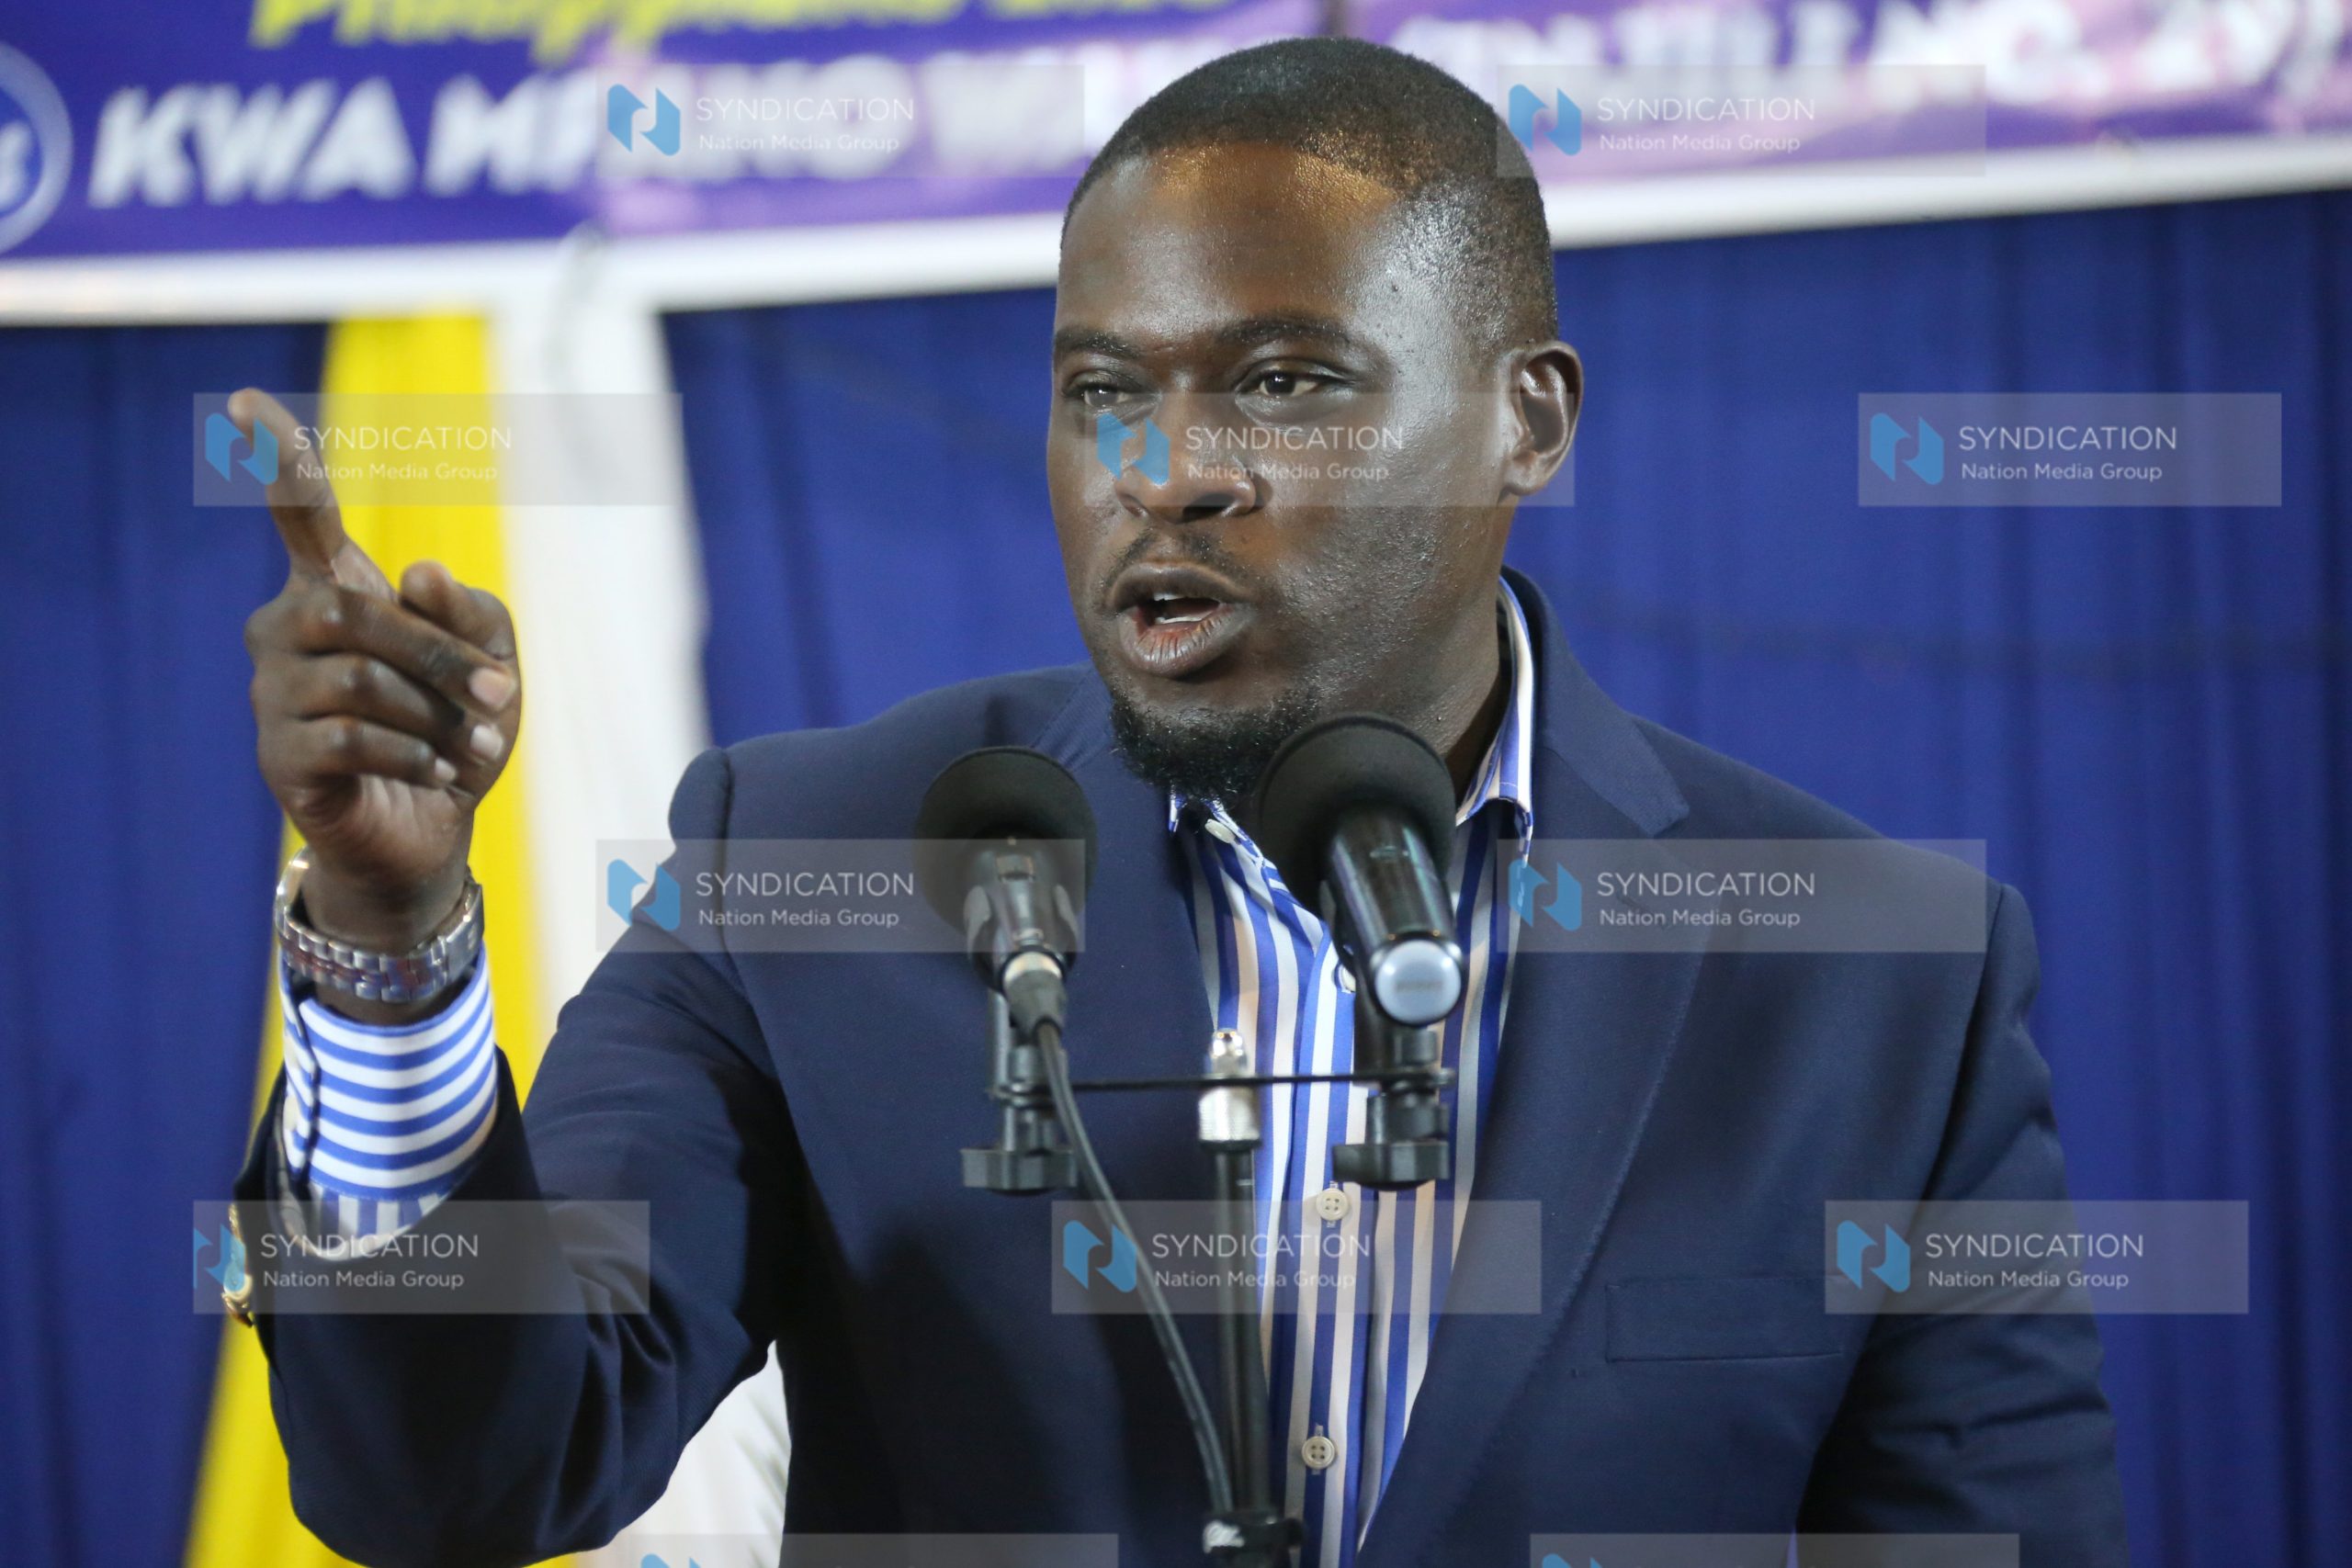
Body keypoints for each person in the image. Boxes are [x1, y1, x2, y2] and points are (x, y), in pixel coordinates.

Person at [230, 36, 2128, 1568]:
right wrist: (386, 938)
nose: (1168, 472)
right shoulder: (800, 868)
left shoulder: (1879, 976)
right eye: (1100, 390)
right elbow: (461, 1480)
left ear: (1522, 418)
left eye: (1284, 380)